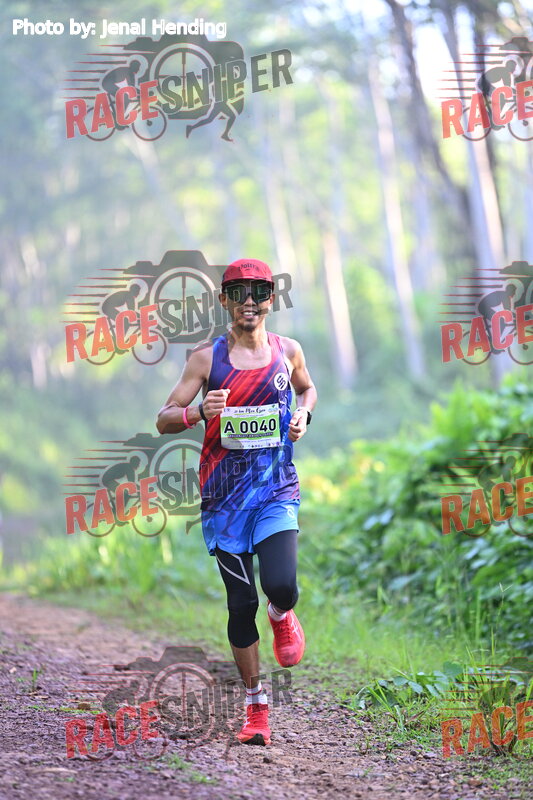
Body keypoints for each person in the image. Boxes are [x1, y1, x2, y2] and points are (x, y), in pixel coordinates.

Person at [156, 258, 317, 746]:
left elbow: (307, 390)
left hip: (275, 491)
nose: (250, 301)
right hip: (223, 501)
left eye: (260, 292)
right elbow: (163, 417)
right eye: (240, 292)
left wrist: (303, 416)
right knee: (241, 604)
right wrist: (195, 413)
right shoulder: (207, 359)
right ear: (224, 300)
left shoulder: (288, 351)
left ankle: (281, 614)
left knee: (282, 585)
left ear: (272, 299)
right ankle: (256, 706)